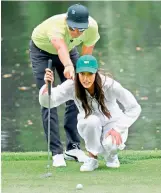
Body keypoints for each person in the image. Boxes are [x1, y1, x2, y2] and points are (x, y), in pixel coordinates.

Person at [39, 55, 142, 172]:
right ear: (77, 73)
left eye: (90, 74)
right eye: (82, 74)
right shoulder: (72, 85)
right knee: (91, 121)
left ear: (96, 73)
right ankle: (92, 158)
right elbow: (49, 102)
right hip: (89, 123)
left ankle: (112, 156)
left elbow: (134, 108)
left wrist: (118, 128)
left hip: (113, 122)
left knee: (110, 144)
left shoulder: (109, 84)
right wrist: (48, 86)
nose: (86, 78)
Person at [29, 4, 100, 167]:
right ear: (67, 23)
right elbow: (60, 47)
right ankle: (56, 152)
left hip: (70, 50)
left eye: (81, 29)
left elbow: (86, 56)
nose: (77, 33)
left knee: (78, 93)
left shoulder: (92, 28)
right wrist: (68, 66)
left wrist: (81, 73)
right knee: (48, 99)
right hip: (41, 52)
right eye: (73, 28)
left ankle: (73, 148)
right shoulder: (56, 27)